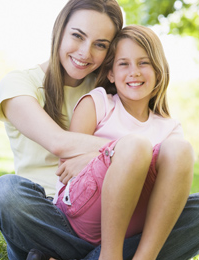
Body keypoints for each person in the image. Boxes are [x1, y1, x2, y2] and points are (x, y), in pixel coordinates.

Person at [0, 0, 199, 259]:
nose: (85, 53)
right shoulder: (20, 83)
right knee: (7, 192)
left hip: (116, 215)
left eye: (100, 45)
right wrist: (118, 153)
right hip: (45, 215)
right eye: (77, 36)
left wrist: (119, 156)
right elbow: (58, 142)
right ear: (59, 31)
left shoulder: (108, 85)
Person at [53, 25, 195, 260]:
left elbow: (169, 187)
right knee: (135, 146)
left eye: (143, 63)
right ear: (110, 73)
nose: (134, 72)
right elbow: (67, 168)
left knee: (181, 150)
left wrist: (106, 156)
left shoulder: (169, 128)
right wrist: (115, 156)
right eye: (123, 64)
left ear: (159, 71)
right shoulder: (99, 104)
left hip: (135, 220)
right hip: (81, 214)